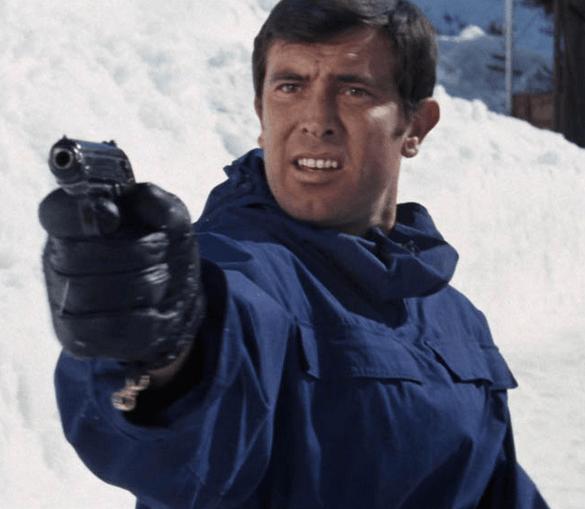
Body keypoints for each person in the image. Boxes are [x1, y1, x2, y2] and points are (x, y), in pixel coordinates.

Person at [39, 0, 550, 508]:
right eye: (290, 86)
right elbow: (191, 436)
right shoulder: (227, 268)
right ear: (261, 114)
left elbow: (500, 490)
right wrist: (163, 357)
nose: (316, 119)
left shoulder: (457, 318)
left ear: (415, 125)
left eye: (353, 90)